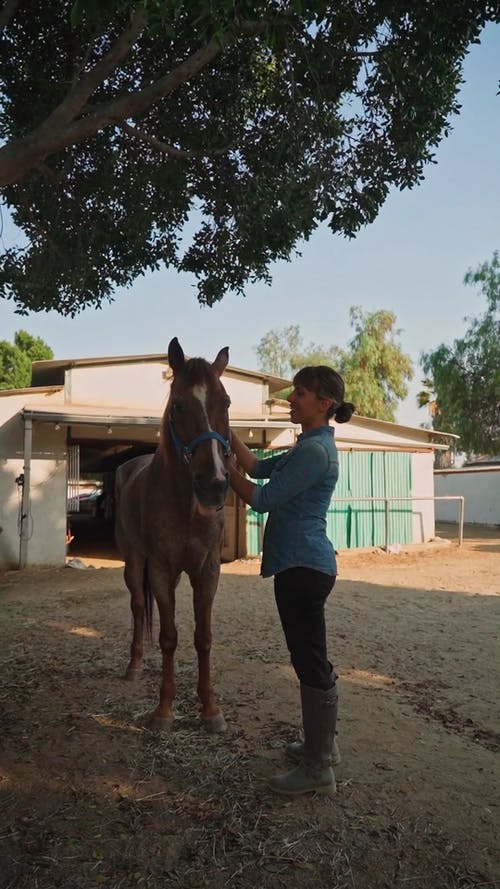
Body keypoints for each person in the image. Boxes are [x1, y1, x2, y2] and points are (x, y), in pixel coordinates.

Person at [226, 366, 354, 796]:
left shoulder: (314, 454)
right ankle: (323, 748)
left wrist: (224, 474)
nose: (291, 399)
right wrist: (224, 432)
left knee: (310, 663)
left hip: (303, 568)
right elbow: (259, 467)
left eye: (300, 393)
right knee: (311, 661)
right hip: (302, 566)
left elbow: (260, 497)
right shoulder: (308, 447)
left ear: (324, 404)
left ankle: (319, 767)